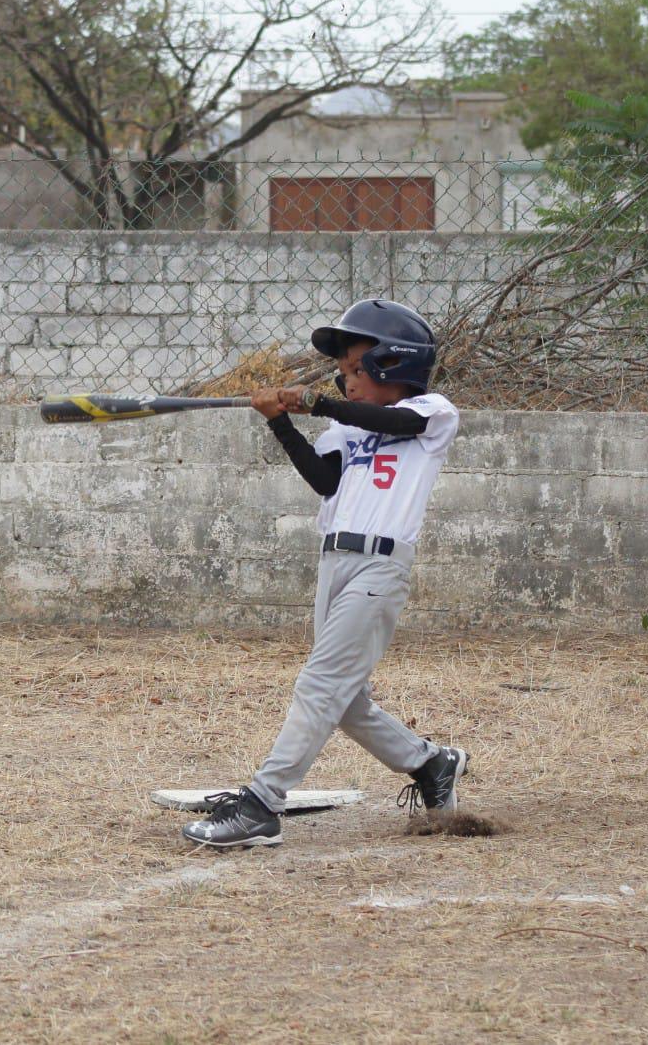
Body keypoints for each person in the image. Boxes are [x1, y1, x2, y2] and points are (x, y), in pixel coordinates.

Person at [183, 299, 470, 849]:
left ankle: (263, 803)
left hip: (380, 567)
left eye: (355, 370)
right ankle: (431, 764)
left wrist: (317, 402)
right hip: (335, 563)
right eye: (343, 375)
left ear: (393, 364)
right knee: (345, 699)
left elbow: (393, 420)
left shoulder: (433, 413)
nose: (347, 382)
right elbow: (322, 480)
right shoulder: (346, 429)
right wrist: (281, 421)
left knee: (319, 687)